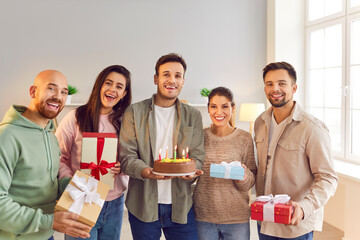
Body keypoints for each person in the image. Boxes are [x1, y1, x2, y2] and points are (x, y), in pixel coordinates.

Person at [119, 53, 205, 240]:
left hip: (181, 205)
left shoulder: (193, 116)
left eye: (177, 75)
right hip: (142, 204)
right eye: (166, 74)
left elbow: (198, 157)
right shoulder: (134, 112)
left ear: (183, 81)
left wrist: (193, 170)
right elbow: (127, 157)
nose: (171, 80)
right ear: (156, 79)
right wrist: (146, 171)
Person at [0, 70, 91, 240]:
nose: (58, 97)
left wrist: (72, 185)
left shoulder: (50, 135)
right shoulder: (6, 136)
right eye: (51, 88)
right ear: (33, 91)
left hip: (46, 234)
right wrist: (48, 222)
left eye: (64, 92)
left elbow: (44, 184)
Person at [254, 62, 338, 240]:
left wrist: (304, 207)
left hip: (295, 225)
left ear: (294, 87)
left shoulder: (312, 128)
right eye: (269, 84)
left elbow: (328, 178)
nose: (275, 88)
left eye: (281, 83)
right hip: (265, 221)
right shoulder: (259, 123)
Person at [55, 65, 132, 240]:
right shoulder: (75, 117)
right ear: (99, 85)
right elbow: (58, 157)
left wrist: (123, 167)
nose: (113, 89)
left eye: (119, 87)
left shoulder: (125, 122)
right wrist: (73, 182)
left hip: (115, 201)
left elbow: (133, 156)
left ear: (124, 94)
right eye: (108, 83)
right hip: (82, 198)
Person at [193, 87, 257, 240]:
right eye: (214, 106)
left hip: (236, 217)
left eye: (225, 106)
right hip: (203, 216)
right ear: (208, 108)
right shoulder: (199, 136)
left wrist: (243, 176)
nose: (218, 112)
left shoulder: (244, 138)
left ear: (233, 108)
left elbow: (251, 180)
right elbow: (191, 175)